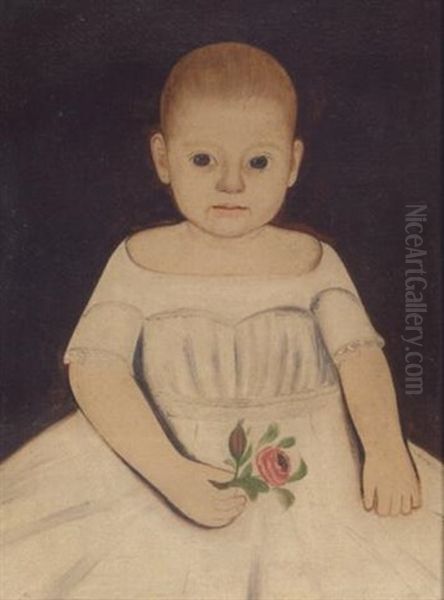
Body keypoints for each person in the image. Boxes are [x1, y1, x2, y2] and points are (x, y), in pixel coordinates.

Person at [1, 42, 442, 600]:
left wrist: (383, 449)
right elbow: (96, 370)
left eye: (257, 162)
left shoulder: (312, 261)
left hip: (319, 484)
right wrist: (171, 471)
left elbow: (360, 356)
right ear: (163, 159)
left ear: (293, 163)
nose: (231, 185)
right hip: (160, 471)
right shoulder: (138, 259)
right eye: (203, 160)